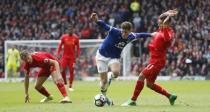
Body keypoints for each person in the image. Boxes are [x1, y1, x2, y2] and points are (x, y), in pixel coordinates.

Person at [90, 13, 153, 105]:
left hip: (114, 57)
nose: (123, 33)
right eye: (122, 31)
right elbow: (104, 25)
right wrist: (96, 20)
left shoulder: (132, 36)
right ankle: (105, 98)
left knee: (116, 73)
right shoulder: (114, 31)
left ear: (130, 31)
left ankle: (110, 75)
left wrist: (152, 34)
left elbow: (141, 35)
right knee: (103, 83)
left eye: (126, 32)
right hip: (101, 56)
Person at [121, 9, 179, 106]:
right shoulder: (161, 29)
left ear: (167, 23)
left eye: (161, 23)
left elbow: (167, 39)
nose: (159, 24)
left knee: (141, 76)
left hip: (157, 61)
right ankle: (170, 96)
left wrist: (164, 26)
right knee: (149, 84)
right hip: (154, 60)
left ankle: (133, 100)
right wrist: (166, 14)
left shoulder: (168, 32)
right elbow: (161, 18)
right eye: (159, 23)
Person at [57, 25, 80, 91]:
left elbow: (78, 48)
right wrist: (58, 53)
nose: (70, 31)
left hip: (72, 58)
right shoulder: (64, 37)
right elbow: (60, 46)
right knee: (62, 70)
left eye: (71, 30)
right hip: (65, 57)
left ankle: (70, 86)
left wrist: (78, 56)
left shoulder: (76, 38)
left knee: (71, 71)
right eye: (69, 30)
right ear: (67, 31)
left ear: (73, 31)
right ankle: (65, 82)